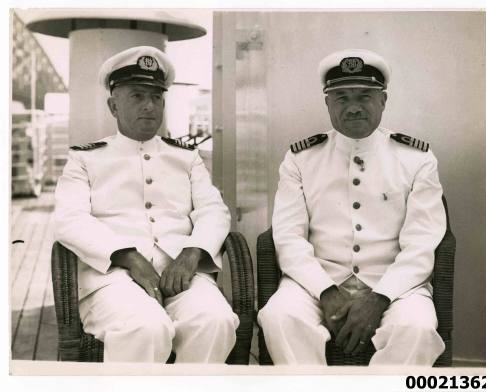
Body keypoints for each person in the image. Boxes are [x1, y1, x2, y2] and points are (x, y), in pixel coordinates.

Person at [258, 49, 447, 366]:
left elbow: (422, 243)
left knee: (418, 328)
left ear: (383, 101)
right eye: (342, 97)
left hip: (394, 284)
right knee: (279, 316)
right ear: (327, 103)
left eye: (364, 96)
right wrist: (325, 290)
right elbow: (288, 237)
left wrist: (380, 298)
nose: (354, 107)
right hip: (315, 281)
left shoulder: (417, 158)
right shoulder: (300, 158)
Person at [53, 46, 238, 363]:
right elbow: (69, 219)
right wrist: (128, 256)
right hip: (112, 279)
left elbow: (214, 211)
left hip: (180, 274)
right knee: (146, 327)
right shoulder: (85, 159)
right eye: (137, 96)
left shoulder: (186, 157)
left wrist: (192, 254)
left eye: (156, 97)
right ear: (113, 106)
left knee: (215, 321)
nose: (150, 106)